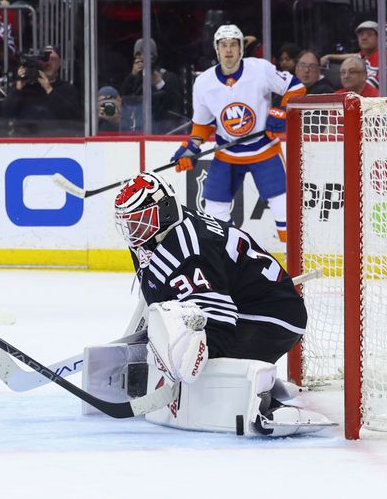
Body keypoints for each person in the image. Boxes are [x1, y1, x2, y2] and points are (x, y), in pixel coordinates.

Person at [111, 170, 332, 436]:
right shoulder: (156, 234)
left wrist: (195, 363)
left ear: (165, 210)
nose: (134, 231)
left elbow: (219, 320)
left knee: (203, 366)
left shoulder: (187, 249)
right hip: (244, 305)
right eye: (130, 223)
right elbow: (162, 294)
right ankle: (256, 377)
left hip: (273, 318)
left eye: (141, 221)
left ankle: (266, 404)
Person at [170, 24, 306, 243]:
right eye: (223, 45)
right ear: (216, 49)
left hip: (264, 150)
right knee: (214, 212)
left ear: (241, 48)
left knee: (284, 207)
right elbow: (202, 125)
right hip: (228, 153)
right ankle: (229, 262)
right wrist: (191, 147)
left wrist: (280, 112)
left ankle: (295, 266)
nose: (229, 49)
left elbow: (295, 87)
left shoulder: (260, 69)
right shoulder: (203, 83)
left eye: (234, 44)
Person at [2, 45, 80, 121]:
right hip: (27, 132)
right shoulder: (26, 87)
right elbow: (7, 114)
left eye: (52, 59)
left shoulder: (67, 88)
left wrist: (49, 89)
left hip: (56, 132)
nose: (48, 63)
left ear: (59, 63)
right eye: (44, 59)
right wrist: (17, 89)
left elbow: (71, 116)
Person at [119, 38, 181, 133]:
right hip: (137, 126)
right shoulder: (133, 79)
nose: (142, 59)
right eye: (138, 55)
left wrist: (159, 83)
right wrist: (132, 76)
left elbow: (173, 102)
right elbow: (124, 98)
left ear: (153, 57)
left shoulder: (167, 77)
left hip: (163, 127)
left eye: (146, 55)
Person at [322, 20, 381, 89]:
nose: (364, 38)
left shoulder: (383, 59)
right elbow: (353, 56)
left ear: (379, 37)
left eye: (369, 34)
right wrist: (329, 56)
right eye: (361, 34)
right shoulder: (362, 56)